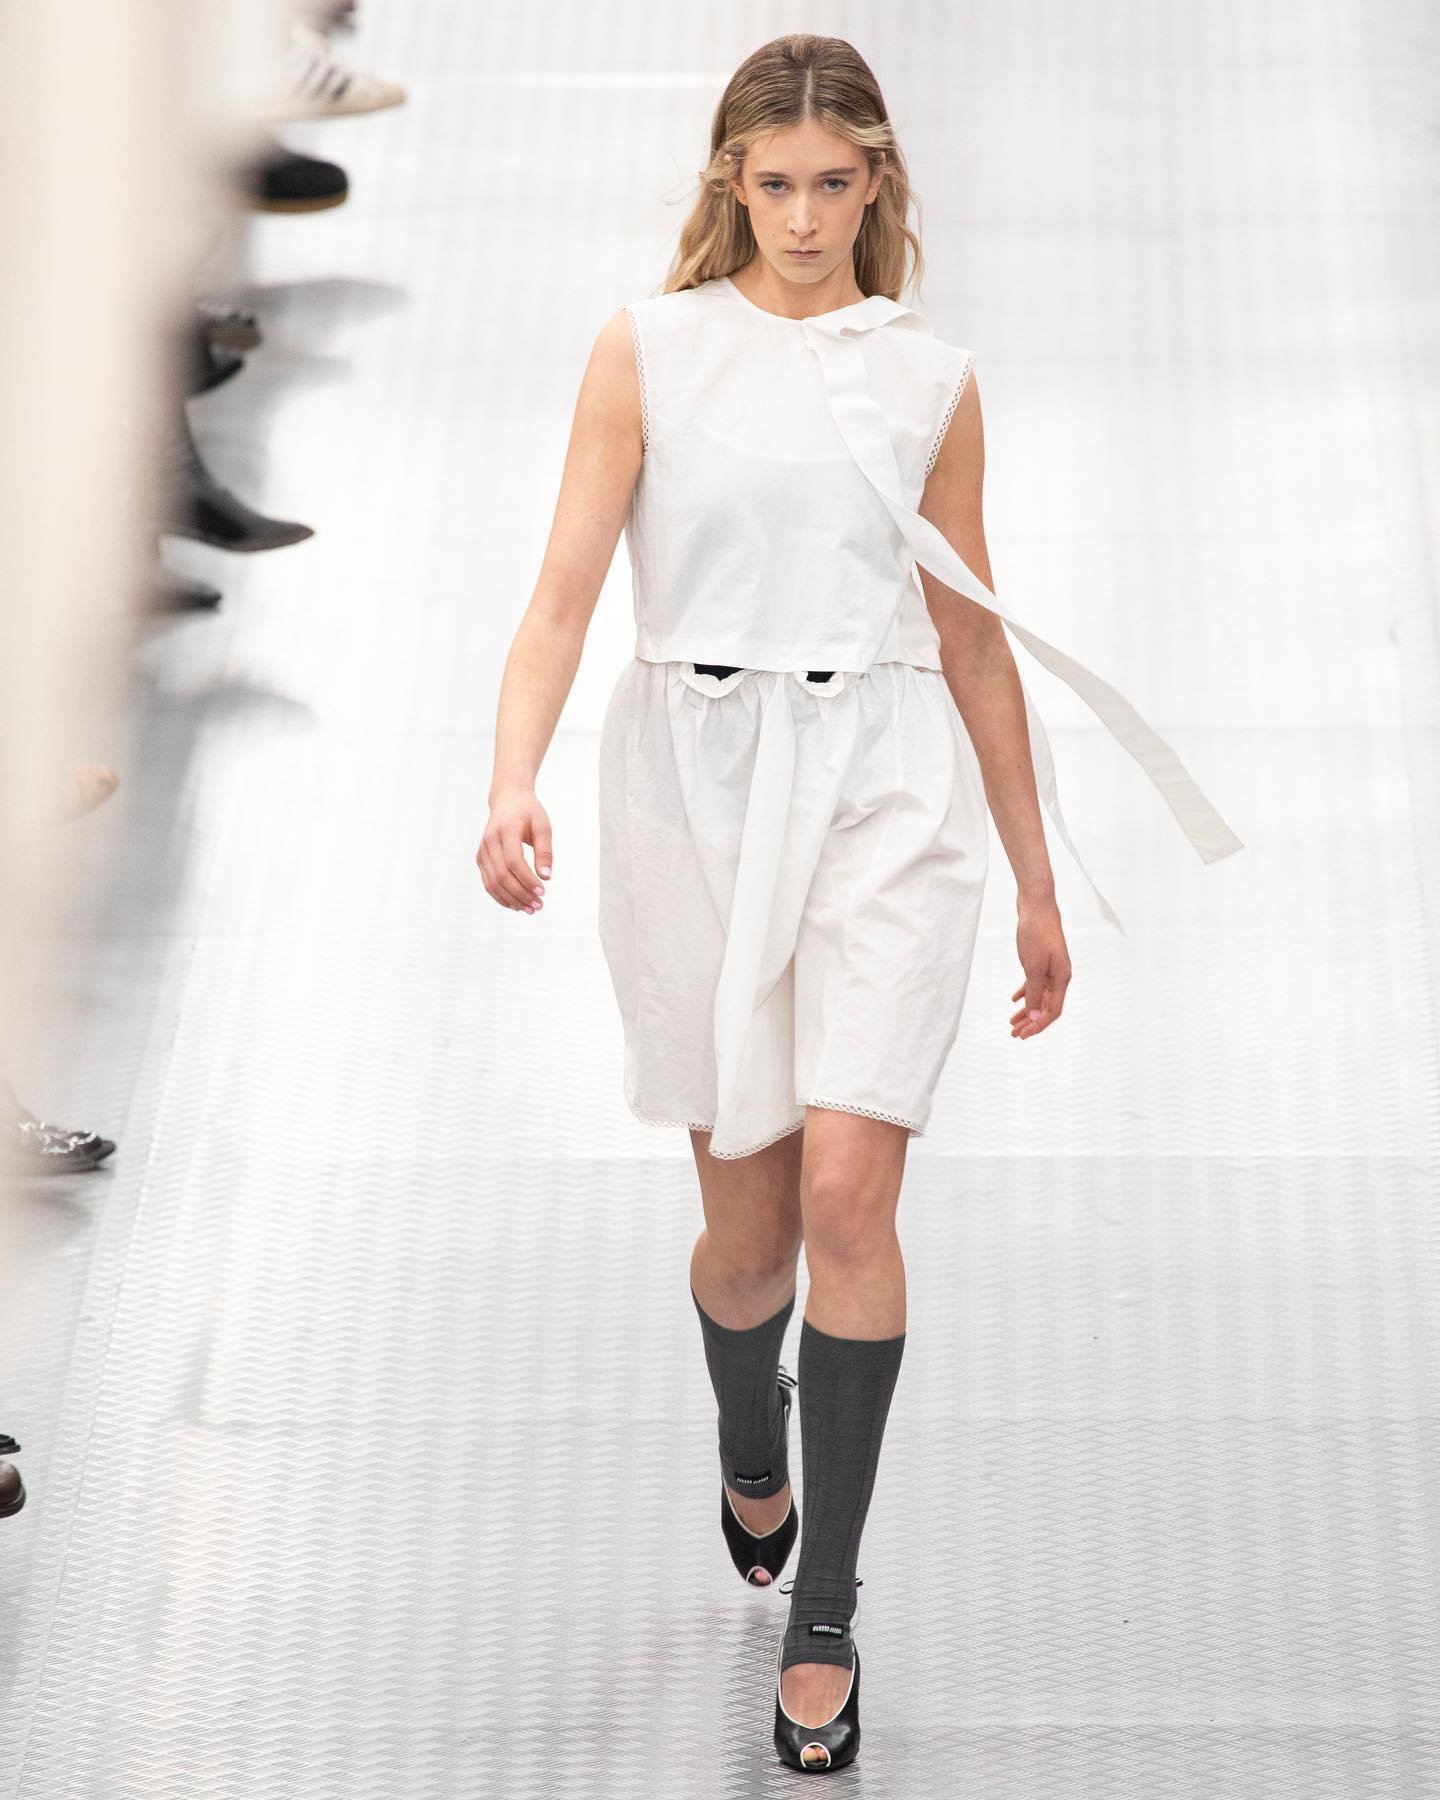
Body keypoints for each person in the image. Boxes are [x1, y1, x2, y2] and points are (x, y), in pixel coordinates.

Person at [476, 32, 1241, 1774]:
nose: (806, 220)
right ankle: (753, 1435)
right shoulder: (647, 350)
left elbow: (971, 632)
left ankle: (825, 1608)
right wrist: (511, 779)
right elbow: (560, 595)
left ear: (877, 185)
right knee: (743, 1236)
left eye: (835, 185)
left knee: (843, 1193)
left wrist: (1040, 876)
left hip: (886, 782)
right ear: (728, 186)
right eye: (775, 186)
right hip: (693, 781)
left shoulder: (930, 378)